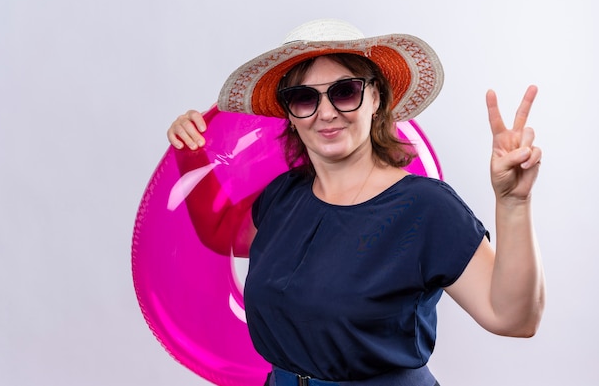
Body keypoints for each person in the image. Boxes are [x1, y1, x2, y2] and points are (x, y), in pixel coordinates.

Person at [166, 19, 545, 386]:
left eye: (344, 91)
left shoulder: (426, 207)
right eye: (304, 98)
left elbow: (513, 319)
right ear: (290, 114)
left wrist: (514, 203)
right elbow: (220, 232)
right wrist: (191, 152)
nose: (326, 112)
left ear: (376, 97)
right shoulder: (282, 196)